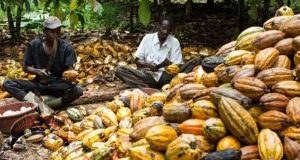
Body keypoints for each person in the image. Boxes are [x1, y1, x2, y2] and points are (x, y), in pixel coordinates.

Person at [2, 16, 83, 111]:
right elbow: (26, 68)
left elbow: (70, 70)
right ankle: (39, 104)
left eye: (58, 31)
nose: (56, 34)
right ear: (45, 31)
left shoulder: (66, 48)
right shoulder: (34, 45)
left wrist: (70, 76)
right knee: (8, 83)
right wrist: (38, 71)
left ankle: (44, 106)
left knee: (78, 90)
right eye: (52, 32)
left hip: (58, 85)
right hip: (39, 84)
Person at [115, 16, 202, 89]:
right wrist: (147, 64)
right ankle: (144, 87)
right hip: (148, 75)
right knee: (120, 70)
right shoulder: (148, 38)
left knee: (196, 61)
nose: (166, 31)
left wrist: (168, 64)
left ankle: (168, 86)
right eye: (163, 28)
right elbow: (137, 60)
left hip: (167, 77)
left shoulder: (174, 42)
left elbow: (177, 66)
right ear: (158, 26)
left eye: (169, 29)